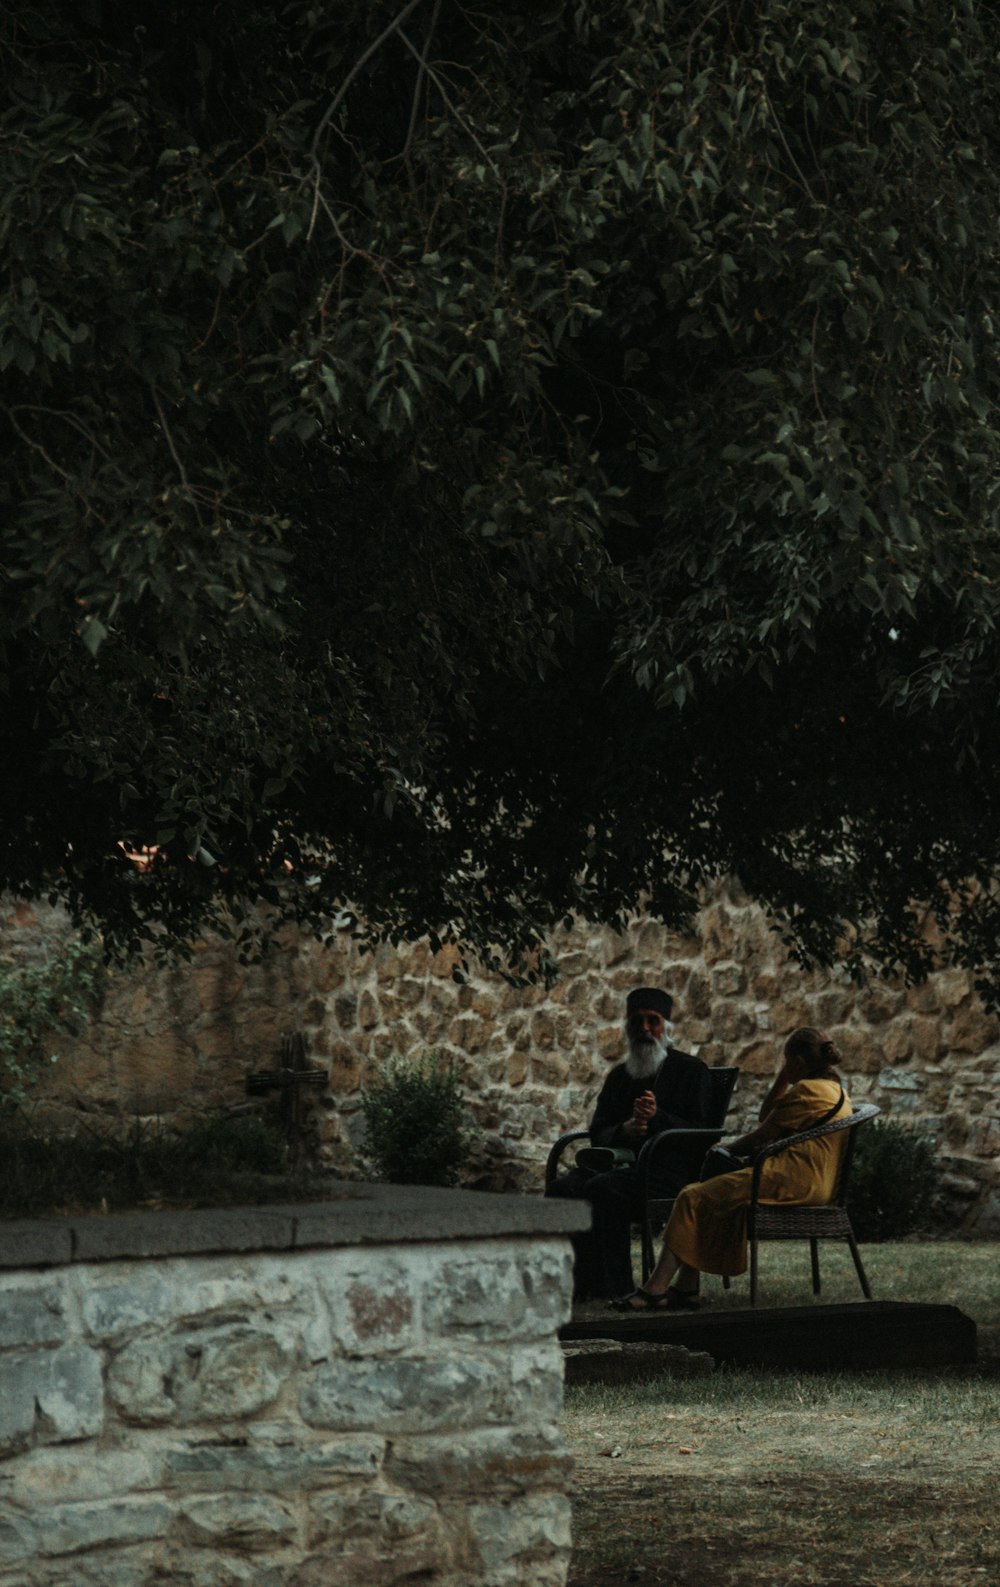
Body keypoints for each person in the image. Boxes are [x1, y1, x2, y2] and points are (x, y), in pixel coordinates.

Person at [611, 1026, 851, 1311]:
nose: (784, 1067)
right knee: (704, 1198)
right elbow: (769, 1117)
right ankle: (687, 1289)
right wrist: (784, 1078)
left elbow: (762, 1134)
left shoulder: (808, 1091)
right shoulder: (833, 1089)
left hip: (788, 1181)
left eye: (787, 1061)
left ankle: (655, 1289)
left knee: (690, 1196)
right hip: (814, 1182)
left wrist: (726, 1148)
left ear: (798, 1061)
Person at [547, 986, 721, 1301]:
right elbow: (598, 1127)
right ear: (628, 1027)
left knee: (604, 1188)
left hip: (669, 1172)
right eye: (637, 1021)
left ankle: (614, 1288)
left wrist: (658, 1118)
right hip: (620, 1165)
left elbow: (703, 1131)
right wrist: (624, 1129)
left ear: (667, 1028)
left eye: (652, 1021)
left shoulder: (691, 1072)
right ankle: (576, 1286)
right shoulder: (619, 1076)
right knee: (564, 1188)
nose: (644, 1029)